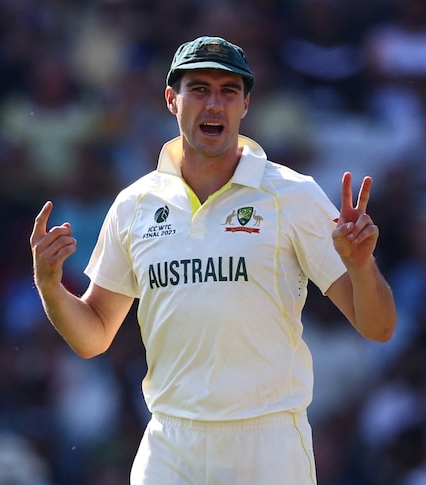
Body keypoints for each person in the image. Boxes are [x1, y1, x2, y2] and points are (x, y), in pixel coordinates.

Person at [30, 35, 397, 484]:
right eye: (199, 89)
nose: (214, 104)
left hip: (268, 445)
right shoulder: (135, 204)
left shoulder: (292, 195)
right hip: (170, 443)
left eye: (228, 91)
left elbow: (378, 327)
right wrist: (50, 286)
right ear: (171, 99)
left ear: (246, 105)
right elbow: (94, 336)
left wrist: (361, 266)